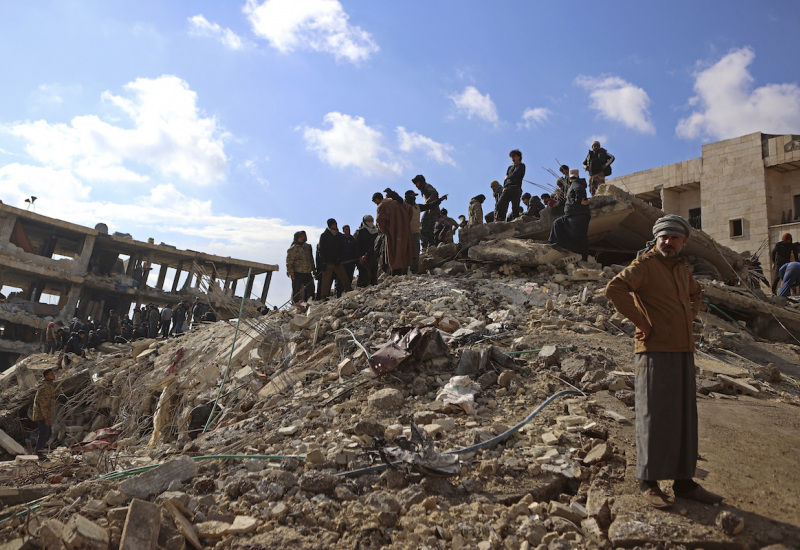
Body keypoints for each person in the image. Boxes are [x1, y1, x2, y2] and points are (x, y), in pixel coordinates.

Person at [605, 214, 723, 509]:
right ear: (656, 239)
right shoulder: (645, 266)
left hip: (683, 350)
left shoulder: (683, 268)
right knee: (654, 417)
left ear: (683, 241)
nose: (668, 242)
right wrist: (641, 322)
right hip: (654, 351)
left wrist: (691, 314)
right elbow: (614, 289)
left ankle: (684, 483)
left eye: (673, 238)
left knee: (684, 417)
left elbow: (696, 292)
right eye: (663, 237)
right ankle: (649, 481)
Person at [548, 169, 592, 261]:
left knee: (578, 236)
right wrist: (559, 204)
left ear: (569, 177)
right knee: (559, 224)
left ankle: (583, 257)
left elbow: (579, 191)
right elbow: (570, 200)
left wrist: (579, 200)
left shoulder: (576, 184)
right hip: (574, 214)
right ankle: (561, 246)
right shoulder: (575, 184)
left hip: (577, 215)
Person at [376, 189, 414, 275]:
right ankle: (399, 276)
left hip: (391, 233)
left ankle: (394, 277)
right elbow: (410, 212)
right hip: (404, 233)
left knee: (392, 256)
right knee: (401, 256)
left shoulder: (383, 205)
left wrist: (386, 231)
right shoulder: (402, 205)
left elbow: (379, 220)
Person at [318, 219, 352, 300]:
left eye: (336, 224)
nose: (335, 225)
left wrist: (339, 258)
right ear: (330, 225)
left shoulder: (339, 235)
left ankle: (350, 292)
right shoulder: (324, 235)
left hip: (337, 262)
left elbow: (342, 248)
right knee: (326, 281)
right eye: (334, 224)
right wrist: (322, 262)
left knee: (344, 278)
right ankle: (324, 297)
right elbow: (321, 249)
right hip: (327, 262)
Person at [495, 149, 525, 222]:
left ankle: (516, 221)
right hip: (507, 188)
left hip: (516, 188)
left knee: (515, 207)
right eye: (511, 156)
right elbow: (506, 179)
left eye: (514, 156)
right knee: (499, 204)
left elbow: (515, 174)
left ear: (519, 157)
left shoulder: (521, 166)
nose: (512, 158)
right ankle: (501, 219)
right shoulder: (510, 167)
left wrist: (508, 177)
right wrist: (504, 186)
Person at [412, 175, 441, 248]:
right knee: (429, 230)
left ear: (420, 182)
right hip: (433, 210)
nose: (416, 185)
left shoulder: (426, 186)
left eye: (417, 183)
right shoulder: (423, 188)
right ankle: (431, 246)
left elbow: (435, 193)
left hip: (431, 210)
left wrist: (428, 204)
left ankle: (425, 247)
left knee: (423, 228)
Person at [286, 230, 316, 303]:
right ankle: (296, 304)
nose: (303, 238)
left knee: (311, 288)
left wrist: (313, 269)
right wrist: (291, 273)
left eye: (304, 236)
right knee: (297, 290)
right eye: (301, 236)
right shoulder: (293, 249)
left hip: (307, 272)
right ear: (297, 238)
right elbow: (289, 263)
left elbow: (311, 258)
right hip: (297, 273)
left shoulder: (308, 247)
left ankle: (311, 302)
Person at [33, 368, 56, 456]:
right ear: (46, 376)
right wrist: (46, 417)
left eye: (53, 373)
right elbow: (44, 404)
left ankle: (39, 450)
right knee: (44, 433)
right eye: (51, 374)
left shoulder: (49, 385)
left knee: (48, 433)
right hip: (42, 414)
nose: (53, 375)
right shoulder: (45, 387)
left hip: (46, 414)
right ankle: (37, 452)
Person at [356, 214, 380, 287]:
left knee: (374, 272)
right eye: (368, 220)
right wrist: (360, 256)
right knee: (364, 273)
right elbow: (358, 245)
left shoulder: (376, 231)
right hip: (364, 257)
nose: (370, 222)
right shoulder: (361, 231)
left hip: (374, 254)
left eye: (371, 220)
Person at [339, 225, 360, 293]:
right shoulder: (340, 239)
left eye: (348, 229)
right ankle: (339, 293)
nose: (347, 230)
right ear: (343, 230)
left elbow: (356, 250)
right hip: (342, 262)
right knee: (341, 279)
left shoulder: (353, 240)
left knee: (349, 277)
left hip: (351, 262)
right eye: (346, 229)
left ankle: (347, 292)